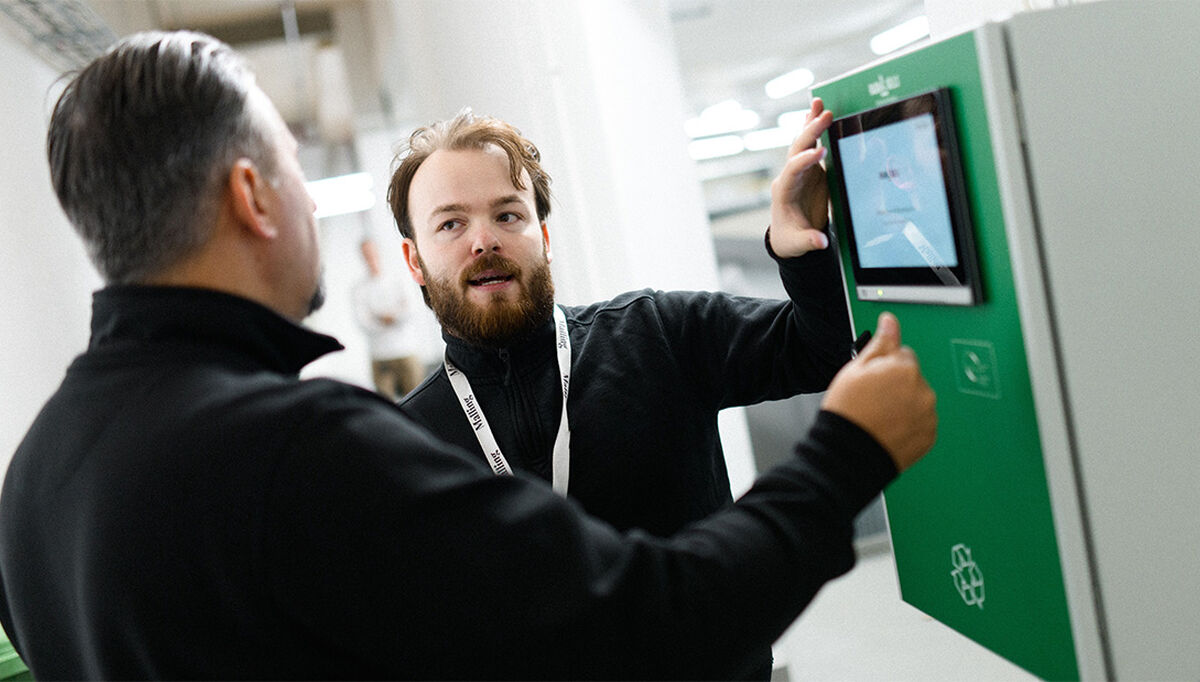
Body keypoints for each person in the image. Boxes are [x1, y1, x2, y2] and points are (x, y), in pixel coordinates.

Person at [0, 30, 937, 680]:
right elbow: (645, 631)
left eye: (506, 213)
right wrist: (848, 455)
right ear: (254, 193)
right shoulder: (304, 452)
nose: (483, 238)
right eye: (293, 162)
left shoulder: (34, 479)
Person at [388, 109, 845, 679]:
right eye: (451, 224)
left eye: (508, 214)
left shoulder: (658, 333)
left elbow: (825, 349)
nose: (484, 240)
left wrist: (800, 249)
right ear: (416, 262)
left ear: (545, 238)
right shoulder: (402, 446)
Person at [352, 237, 426, 398]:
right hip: (380, 356)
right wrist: (387, 318)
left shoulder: (398, 279)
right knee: (386, 405)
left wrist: (383, 317)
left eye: (371, 253)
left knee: (418, 399)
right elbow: (364, 322)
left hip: (405, 350)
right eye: (365, 254)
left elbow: (411, 309)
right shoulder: (359, 289)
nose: (369, 257)